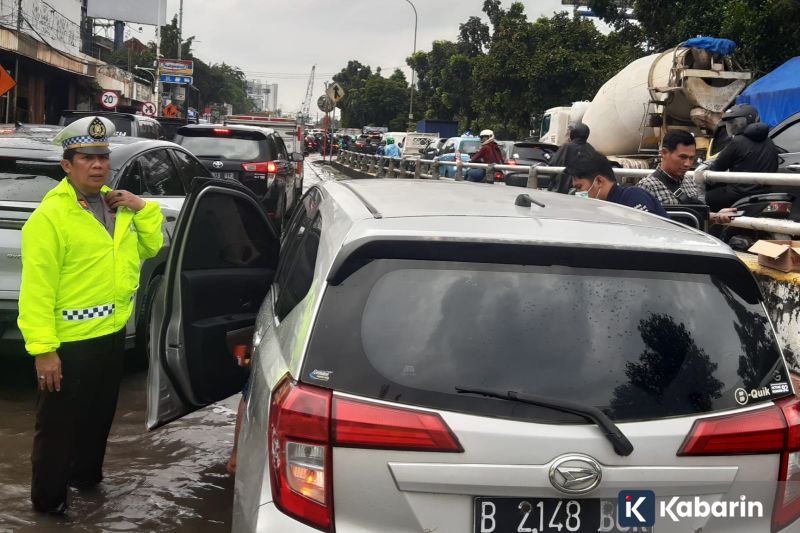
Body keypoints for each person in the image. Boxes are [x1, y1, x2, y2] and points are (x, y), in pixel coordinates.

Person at [18, 116, 164, 514]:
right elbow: (36, 291)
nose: (98, 165)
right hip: (69, 344)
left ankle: (87, 485)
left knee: (98, 420)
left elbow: (151, 249)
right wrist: (44, 349)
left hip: (111, 334)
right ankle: (48, 507)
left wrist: (143, 208)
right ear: (68, 165)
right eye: (87, 158)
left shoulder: (118, 207)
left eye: (103, 157)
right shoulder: (50, 219)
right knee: (57, 432)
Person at [636, 131, 735, 225]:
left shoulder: (689, 181)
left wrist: (716, 216)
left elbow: (695, 217)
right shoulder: (646, 187)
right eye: (682, 157)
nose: (688, 164)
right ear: (664, 153)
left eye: (691, 158)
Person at [706, 104, 780, 211]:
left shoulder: (737, 142)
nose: (734, 127)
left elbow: (717, 168)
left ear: (750, 121)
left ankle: (712, 226)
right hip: (766, 192)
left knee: (710, 196)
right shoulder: (769, 141)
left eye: (738, 123)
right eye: (731, 124)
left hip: (739, 194)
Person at [566, 148, 668, 216]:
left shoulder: (633, 197)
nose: (577, 193)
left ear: (599, 181)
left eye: (579, 187)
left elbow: (646, 237)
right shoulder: (602, 208)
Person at [548, 122, 591, 193]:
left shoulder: (567, 147)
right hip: (584, 190)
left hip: (562, 190)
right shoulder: (590, 149)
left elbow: (553, 165)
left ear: (574, 133)